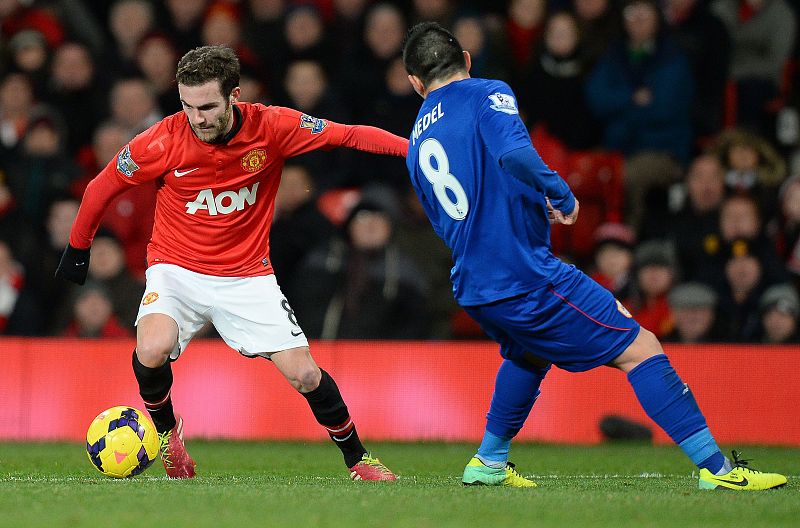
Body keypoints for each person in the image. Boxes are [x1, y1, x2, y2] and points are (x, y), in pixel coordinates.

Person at [402, 21, 786, 490]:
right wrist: (559, 194)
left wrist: (519, 207)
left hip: (474, 284)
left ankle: (488, 462)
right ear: (465, 59)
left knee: (527, 355)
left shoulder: (417, 142)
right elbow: (514, 153)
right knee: (641, 347)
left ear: (416, 84)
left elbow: (455, 216)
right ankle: (719, 471)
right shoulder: (487, 92)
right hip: (525, 276)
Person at [56, 45, 405, 481]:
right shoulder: (162, 139)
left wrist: (413, 152)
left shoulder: (273, 126)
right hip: (176, 267)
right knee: (151, 347)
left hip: (246, 275)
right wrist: (78, 246)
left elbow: (348, 134)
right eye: (187, 107)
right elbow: (100, 187)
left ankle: (359, 460)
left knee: (305, 375)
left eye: (207, 107)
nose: (197, 119)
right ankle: (167, 437)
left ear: (234, 96)